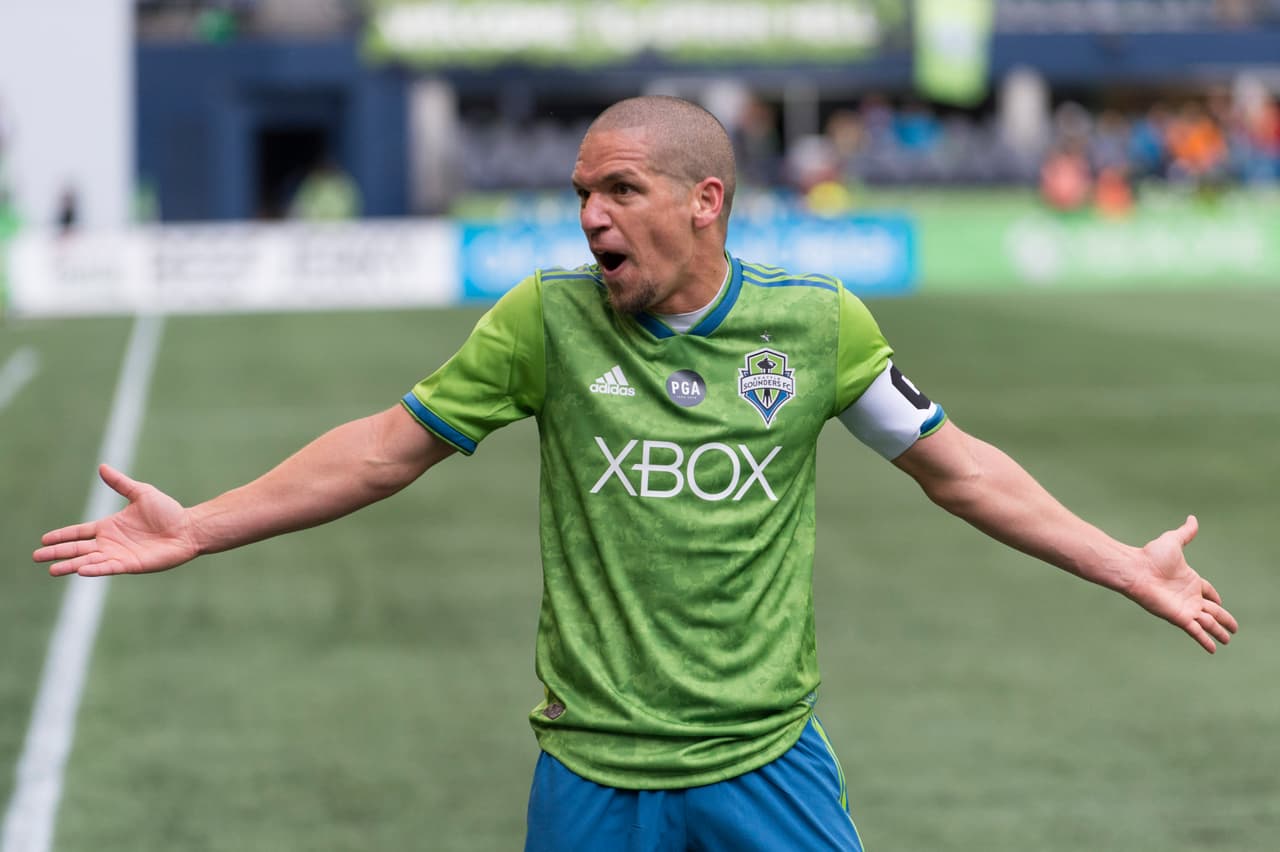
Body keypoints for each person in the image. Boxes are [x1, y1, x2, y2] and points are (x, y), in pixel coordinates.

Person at [33, 96, 1238, 851]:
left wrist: (1120, 563)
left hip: (764, 760)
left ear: (703, 201)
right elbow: (382, 451)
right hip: (590, 770)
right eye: (578, 194)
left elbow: (959, 471)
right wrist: (204, 527)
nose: (590, 217)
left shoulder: (816, 326)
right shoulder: (543, 323)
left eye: (619, 189)